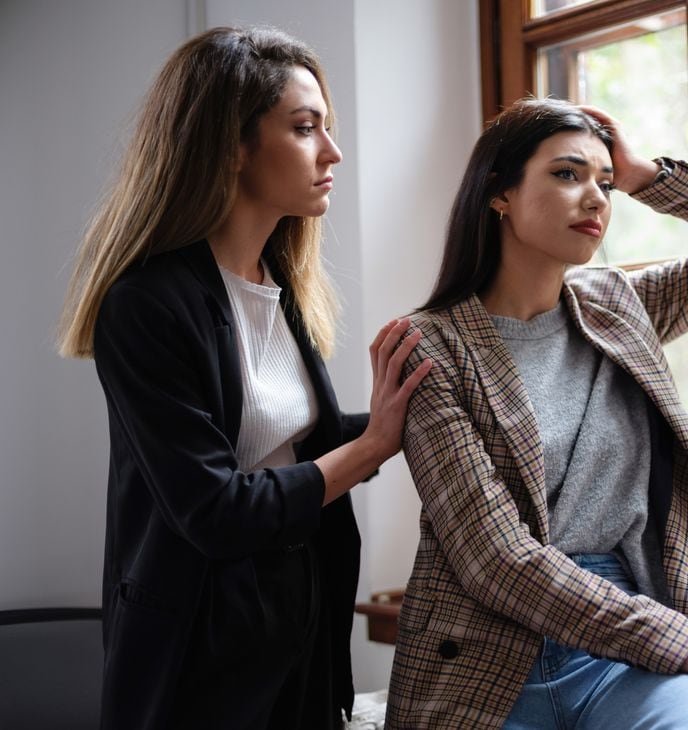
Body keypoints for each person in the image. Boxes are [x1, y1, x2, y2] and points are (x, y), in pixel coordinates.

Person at [386, 98, 688, 729]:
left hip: (624, 647)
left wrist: (647, 177)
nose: (595, 198)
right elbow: (493, 559)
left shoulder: (618, 307)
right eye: (566, 174)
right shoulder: (432, 345)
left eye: (603, 183)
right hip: (488, 651)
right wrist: (680, 641)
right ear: (499, 193)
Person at [57, 26, 431, 730]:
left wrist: (411, 411)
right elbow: (216, 509)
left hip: (302, 623)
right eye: (304, 127)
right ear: (231, 144)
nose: (333, 151)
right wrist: (373, 447)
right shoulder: (144, 306)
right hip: (198, 649)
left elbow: (287, 445)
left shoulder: (279, 286)